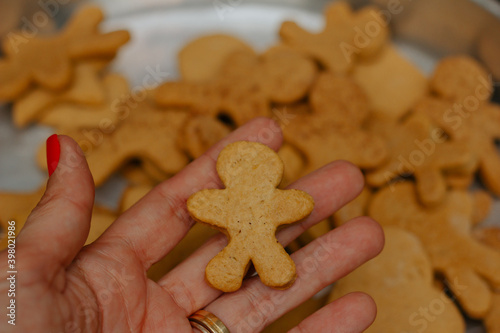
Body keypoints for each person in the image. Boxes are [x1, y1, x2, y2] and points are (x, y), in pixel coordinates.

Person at [0, 118, 384, 332]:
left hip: (259, 239)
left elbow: (296, 203)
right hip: (241, 246)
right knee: (250, 259)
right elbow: (205, 203)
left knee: (265, 259)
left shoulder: (276, 200)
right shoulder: (223, 199)